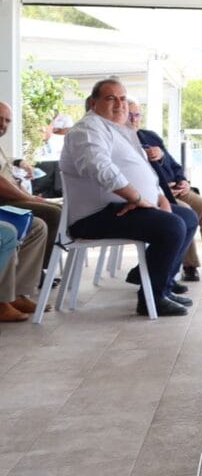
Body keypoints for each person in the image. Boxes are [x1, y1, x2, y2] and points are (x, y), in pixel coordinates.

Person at [60, 79, 195, 317]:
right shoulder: (88, 128)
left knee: (187, 217)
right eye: (111, 98)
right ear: (94, 103)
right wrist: (135, 196)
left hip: (123, 208)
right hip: (95, 215)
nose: (119, 104)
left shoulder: (121, 132)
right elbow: (96, 165)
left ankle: (162, 286)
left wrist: (161, 199)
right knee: (171, 226)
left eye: (122, 98)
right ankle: (151, 300)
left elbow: (146, 172)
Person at [125, 100, 202, 281]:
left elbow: (175, 165)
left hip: (178, 188)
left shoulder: (150, 136)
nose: (134, 119)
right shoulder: (123, 141)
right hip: (159, 192)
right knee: (184, 213)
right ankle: (189, 266)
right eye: (130, 114)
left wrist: (182, 180)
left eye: (137, 114)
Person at [0, 101, 64, 268]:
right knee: (53, 213)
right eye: (0, 119)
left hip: (9, 198)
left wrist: (21, 162)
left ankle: (38, 272)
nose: (3, 124)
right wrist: (31, 198)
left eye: (7, 121)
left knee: (56, 211)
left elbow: (7, 161)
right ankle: (43, 271)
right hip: (4, 202)